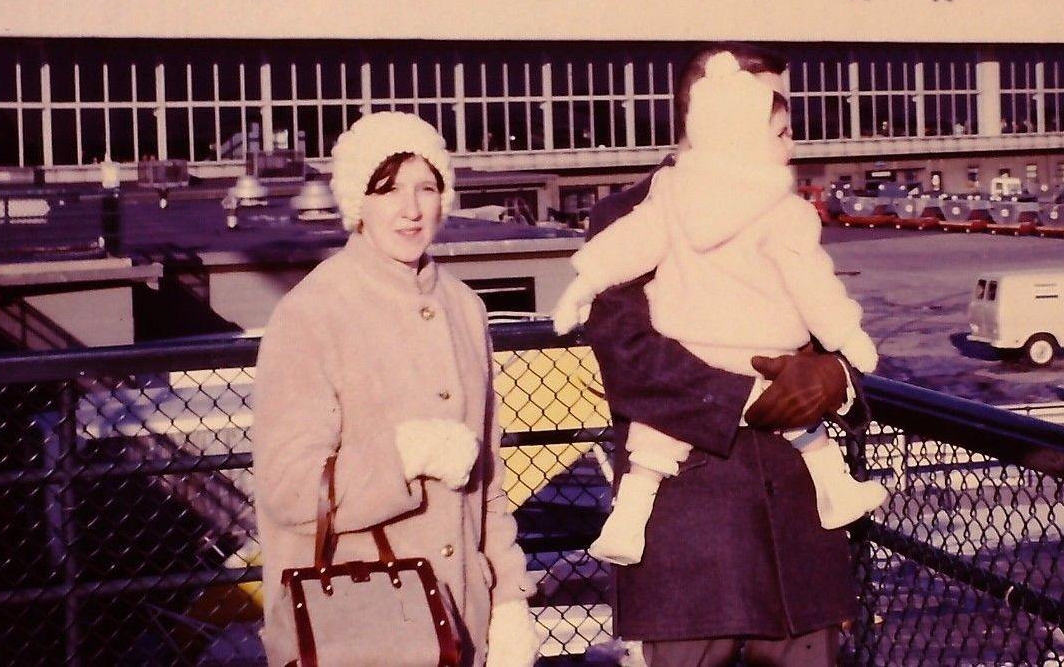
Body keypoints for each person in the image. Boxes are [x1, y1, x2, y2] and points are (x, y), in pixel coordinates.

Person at [579, 42, 870, 667]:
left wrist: (837, 378)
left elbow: (823, 317)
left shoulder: (784, 209)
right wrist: (758, 398)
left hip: (798, 532)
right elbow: (632, 362)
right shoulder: (628, 215)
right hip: (694, 533)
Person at [254, 111, 539, 667]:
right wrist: (406, 455)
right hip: (362, 624)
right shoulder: (313, 314)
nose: (411, 210)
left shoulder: (464, 308)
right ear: (358, 203)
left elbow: (490, 481)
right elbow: (287, 488)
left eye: (426, 188)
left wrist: (508, 600)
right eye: (387, 190)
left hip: (463, 620)